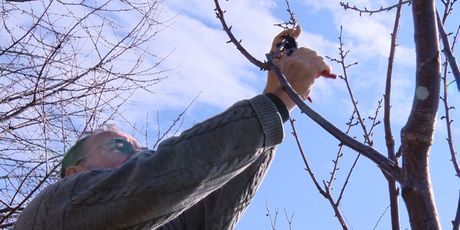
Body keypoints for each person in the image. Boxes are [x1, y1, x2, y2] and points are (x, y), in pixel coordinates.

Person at [13, 27, 332, 230]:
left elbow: (212, 210)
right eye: (121, 146)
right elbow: (164, 174)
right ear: (74, 172)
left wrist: (278, 94)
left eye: (140, 149)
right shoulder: (53, 209)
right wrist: (276, 105)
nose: (139, 153)